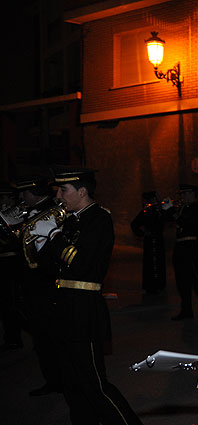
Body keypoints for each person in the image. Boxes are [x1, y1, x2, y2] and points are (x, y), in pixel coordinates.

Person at [31, 166, 142, 424]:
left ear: (82, 191)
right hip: (62, 310)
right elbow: (49, 269)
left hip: (84, 312)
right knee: (72, 386)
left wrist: (54, 236)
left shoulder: (99, 219)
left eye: (63, 189)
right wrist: (40, 244)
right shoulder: (70, 220)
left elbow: (82, 264)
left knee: (95, 385)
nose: (58, 195)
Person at [13, 175, 64, 396]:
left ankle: (57, 380)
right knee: (42, 335)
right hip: (35, 284)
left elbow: (42, 254)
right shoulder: (33, 212)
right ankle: (54, 378)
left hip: (44, 284)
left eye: (24, 192)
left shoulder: (49, 213)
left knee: (48, 336)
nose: (21, 197)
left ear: (33, 192)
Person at [163, 184, 198, 321]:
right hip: (179, 245)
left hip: (190, 245)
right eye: (182, 194)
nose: (183, 197)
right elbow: (169, 220)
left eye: (186, 194)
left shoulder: (197, 209)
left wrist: (172, 212)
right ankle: (186, 310)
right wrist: (165, 210)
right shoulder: (182, 208)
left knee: (195, 278)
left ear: (193, 194)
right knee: (181, 280)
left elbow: (187, 222)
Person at [0, 183, 23, 350]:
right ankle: (11, 336)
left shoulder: (18, 212)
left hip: (16, 262)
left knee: (15, 302)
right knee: (6, 302)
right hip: (3, 263)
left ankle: (14, 337)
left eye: (6, 197)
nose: (4, 201)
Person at [130, 191, 166, 295]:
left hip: (158, 240)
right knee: (150, 263)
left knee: (159, 262)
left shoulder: (159, 210)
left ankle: (159, 284)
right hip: (150, 241)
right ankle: (150, 286)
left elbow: (165, 219)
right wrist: (143, 233)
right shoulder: (146, 211)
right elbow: (134, 224)